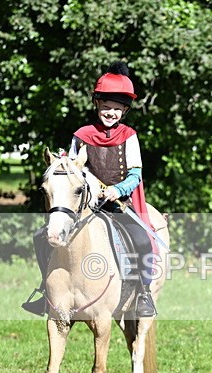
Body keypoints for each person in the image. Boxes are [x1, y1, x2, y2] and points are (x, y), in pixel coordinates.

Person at [22, 61, 157, 317]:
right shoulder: (81, 135)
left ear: (124, 111)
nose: (111, 113)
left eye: (117, 109)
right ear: (97, 105)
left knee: (142, 241)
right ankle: (45, 289)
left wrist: (118, 189)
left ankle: (144, 294)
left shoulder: (129, 136)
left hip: (118, 204)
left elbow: (136, 173)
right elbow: (74, 169)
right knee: (42, 237)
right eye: (106, 107)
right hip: (87, 205)